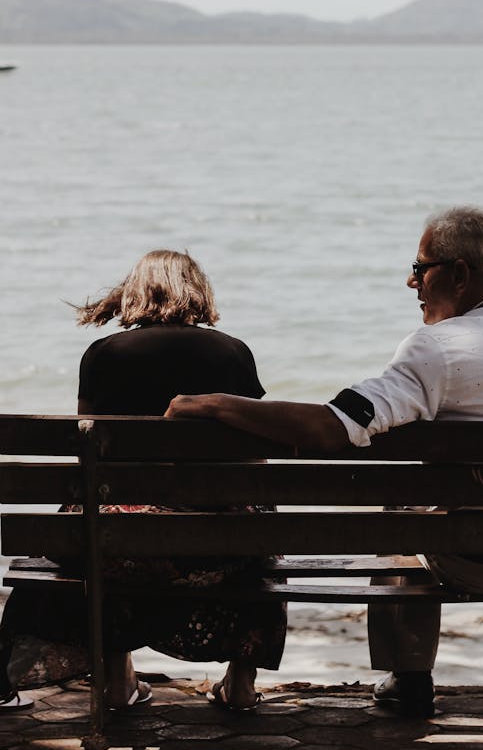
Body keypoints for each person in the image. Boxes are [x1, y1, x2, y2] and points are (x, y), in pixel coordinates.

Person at [165, 208, 483, 718]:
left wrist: (216, 404)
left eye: (421, 268)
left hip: (464, 558)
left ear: (459, 275)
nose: (410, 281)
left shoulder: (435, 350)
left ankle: (410, 677)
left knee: (401, 515)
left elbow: (333, 426)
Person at [0, 250, 286, 713]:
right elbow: (252, 463)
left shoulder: (103, 355)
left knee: (110, 518)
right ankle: (240, 686)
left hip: (118, 549)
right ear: (197, 290)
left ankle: (117, 682)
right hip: (218, 546)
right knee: (257, 512)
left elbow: (90, 456)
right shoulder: (233, 352)